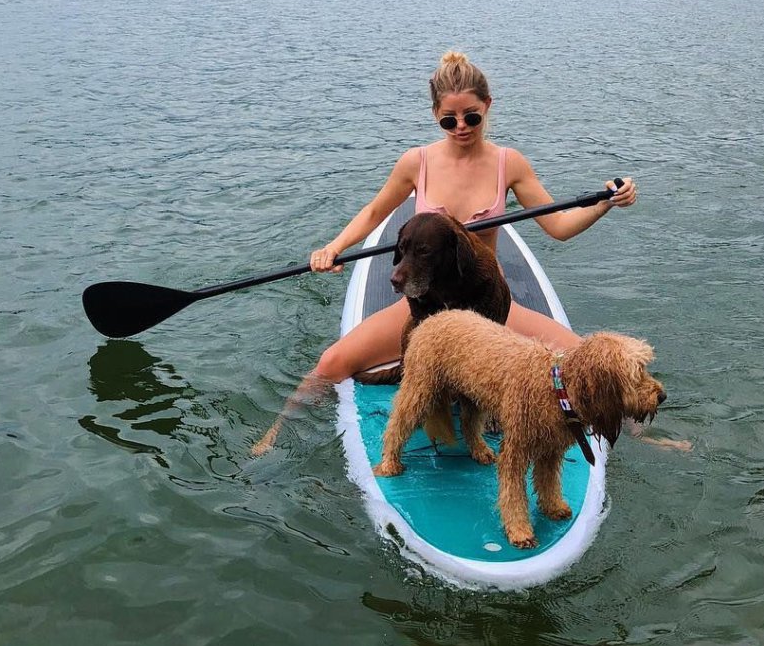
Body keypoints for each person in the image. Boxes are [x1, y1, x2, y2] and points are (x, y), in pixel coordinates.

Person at [253, 50, 642, 456]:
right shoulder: (416, 162)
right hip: (428, 306)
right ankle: (275, 435)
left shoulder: (508, 163)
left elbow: (559, 227)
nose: (461, 128)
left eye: (471, 117)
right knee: (331, 363)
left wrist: (604, 204)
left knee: (582, 359)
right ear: (435, 115)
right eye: (448, 120)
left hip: (488, 306)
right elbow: (373, 213)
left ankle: (642, 432)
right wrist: (333, 248)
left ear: (487, 106)